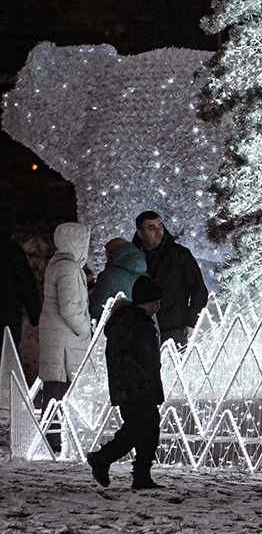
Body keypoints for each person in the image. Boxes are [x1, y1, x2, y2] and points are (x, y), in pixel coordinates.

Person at [86, 275, 165, 490]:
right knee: (138, 429)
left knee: (147, 428)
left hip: (142, 386)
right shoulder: (128, 322)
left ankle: (141, 475)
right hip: (133, 388)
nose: (158, 307)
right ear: (144, 301)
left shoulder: (140, 320)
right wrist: (140, 380)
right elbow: (121, 357)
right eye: (155, 302)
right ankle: (103, 459)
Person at [39, 221, 92, 454]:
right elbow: (70, 307)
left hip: (60, 337)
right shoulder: (68, 268)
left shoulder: (59, 264)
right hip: (66, 340)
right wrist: (85, 330)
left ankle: (53, 437)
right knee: (60, 389)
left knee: (55, 388)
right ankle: (55, 439)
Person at [131, 211, 207, 349]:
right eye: (152, 228)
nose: (159, 231)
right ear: (140, 233)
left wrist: (191, 322)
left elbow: (198, 289)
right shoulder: (133, 257)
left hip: (175, 327)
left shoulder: (179, 255)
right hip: (142, 328)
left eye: (160, 225)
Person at [0, 208, 42, 352]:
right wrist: (35, 315)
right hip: (8, 316)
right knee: (7, 356)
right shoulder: (12, 251)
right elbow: (26, 284)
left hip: (8, 315)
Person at [89, 237, 147, 322]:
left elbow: (94, 310)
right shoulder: (147, 277)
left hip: (122, 328)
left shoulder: (109, 276)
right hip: (148, 328)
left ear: (111, 254)